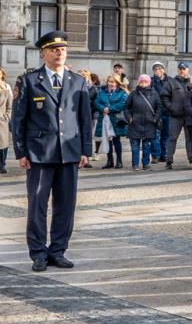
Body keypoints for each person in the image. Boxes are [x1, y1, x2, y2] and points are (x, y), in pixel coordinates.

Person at [11, 31, 94, 271]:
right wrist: (20, 152)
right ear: (43, 53)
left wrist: (85, 150)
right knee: (37, 204)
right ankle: (38, 253)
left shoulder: (77, 81)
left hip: (69, 152)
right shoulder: (29, 80)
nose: (60, 53)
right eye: (54, 49)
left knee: (66, 205)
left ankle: (58, 250)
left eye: (63, 49)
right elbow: (19, 119)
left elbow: (84, 120)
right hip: (38, 153)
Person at [126, 74, 161, 170]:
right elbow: (126, 108)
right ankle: (135, 164)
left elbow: (159, 107)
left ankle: (145, 164)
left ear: (149, 82)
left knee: (147, 146)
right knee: (135, 146)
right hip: (135, 124)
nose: (143, 84)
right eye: (141, 82)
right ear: (139, 82)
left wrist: (155, 118)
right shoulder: (133, 94)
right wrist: (129, 118)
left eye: (145, 82)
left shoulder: (154, 93)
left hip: (149, 123)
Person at [95, 73, 128, 168]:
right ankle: (110, 161)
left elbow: (122, 104)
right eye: (109, 81)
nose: (110, 83)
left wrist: (109, 109)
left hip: (116, 119)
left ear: (117, 83)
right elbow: (96, 102)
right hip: (104, 119)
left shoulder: (122, 92)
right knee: (107, 140)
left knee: (116, 140)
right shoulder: (102, 91)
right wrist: (102, 108)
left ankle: (119, 161)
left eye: (113, 82)